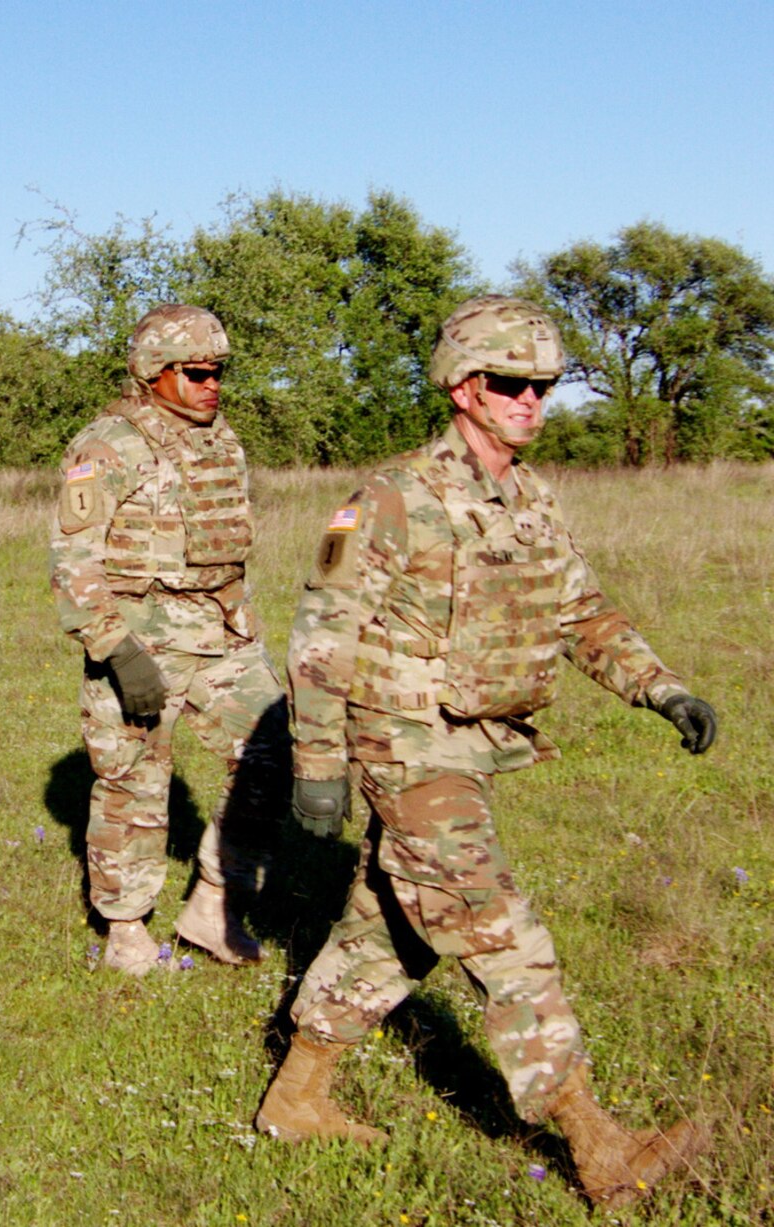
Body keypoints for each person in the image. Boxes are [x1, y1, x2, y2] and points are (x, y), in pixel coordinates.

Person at [259, 296, 717, 1208]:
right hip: (402, 744)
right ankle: (597, 1142)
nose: (531, 400)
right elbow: (321, 633)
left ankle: (296, 1095)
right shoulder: (391, 497)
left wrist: (661, 687)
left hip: (471, 745)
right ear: (465, 387)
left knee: (391, 927)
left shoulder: (530, 498)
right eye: (512, 383)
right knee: (499, 926)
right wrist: (317, 763)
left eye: (544, 385)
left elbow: (583, 614)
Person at [49, 305, 287, 975]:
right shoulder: (106, 445)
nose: (213, 384)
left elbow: (226, 554)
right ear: (155, 373)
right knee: (134, 782)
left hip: (220, 638)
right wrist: (117, 649)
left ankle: (213, 901)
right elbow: (73, 561)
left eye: (220, 373)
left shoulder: (222, 441)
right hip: (137, 640)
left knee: (277, 752)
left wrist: (245, 631)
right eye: (198, 372)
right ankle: (126, 928)